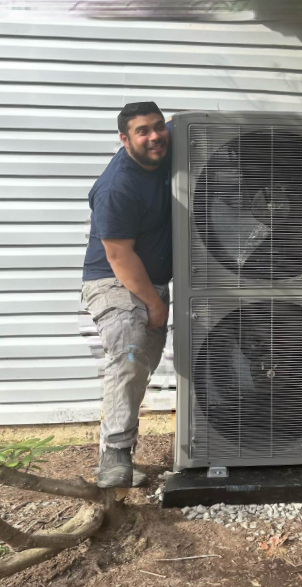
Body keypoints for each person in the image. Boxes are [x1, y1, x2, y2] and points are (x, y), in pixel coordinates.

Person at [81, 101, 172, 488]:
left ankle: (119, 446)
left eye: (158, 127)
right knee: (130, 349)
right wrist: (154, 303)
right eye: (142, 131)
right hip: (113, 279)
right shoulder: (118, 185)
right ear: (124, 138)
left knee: (141, 364)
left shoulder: (165, 157)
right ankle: (114, 454)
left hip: (151, 281)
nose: (153, 136)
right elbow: (118, 254)